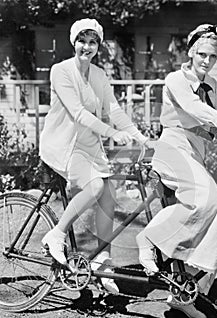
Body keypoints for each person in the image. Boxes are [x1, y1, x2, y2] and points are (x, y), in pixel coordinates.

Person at [136, 24, 217, 318]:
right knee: (208, 199)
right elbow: (194, 109)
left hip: (195, 154)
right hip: (172, 150)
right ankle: (149, 239)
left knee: (215, 217)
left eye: (212, 56)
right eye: (201, 54)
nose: (206, 60)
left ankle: (185, 291)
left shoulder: (212, 85)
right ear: (190, 52)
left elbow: (212, 125)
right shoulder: (176, 79)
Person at [40, 18, 150, 294]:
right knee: (95, 185)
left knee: (108, 195)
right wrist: (112, 133)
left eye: (92, 42)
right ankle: (57, 234)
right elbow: (77, 112)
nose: (86, 47)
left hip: (90, 147)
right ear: (73, 42)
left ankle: (103, 260)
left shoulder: (99, 75)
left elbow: (113, 109)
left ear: (97, 46)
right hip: (64, 144)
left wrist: (138, 135)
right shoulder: (60, 71)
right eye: (82, 41)